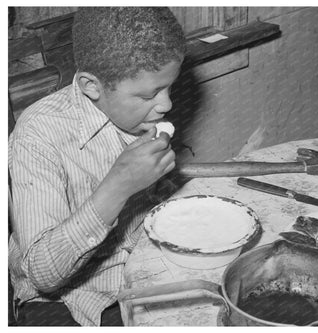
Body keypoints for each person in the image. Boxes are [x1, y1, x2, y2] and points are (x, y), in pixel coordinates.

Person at [8, 7, 186, 326]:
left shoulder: (136, 116)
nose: (167, 104)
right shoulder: (37, 133)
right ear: (92, 86)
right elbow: (42, 274)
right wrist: (118, 186)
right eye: (149, 94)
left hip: (140, 270)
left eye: (169, 86)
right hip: (67, 294)